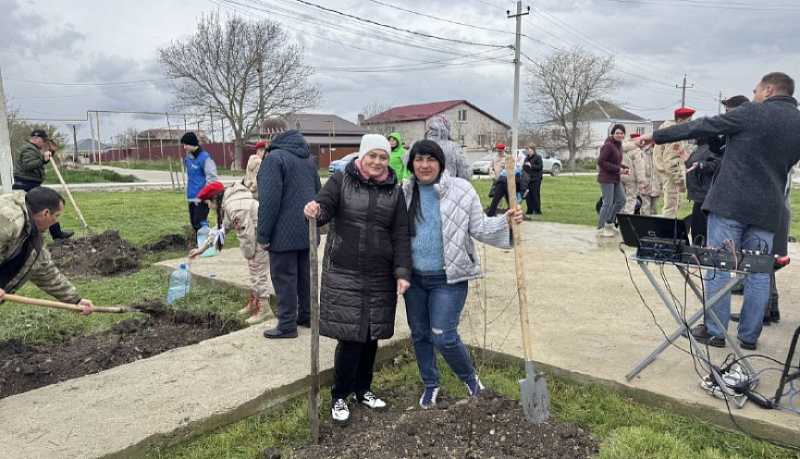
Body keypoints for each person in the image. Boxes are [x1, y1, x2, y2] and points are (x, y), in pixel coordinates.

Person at [637, 72, 800, 350]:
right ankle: (749, 337)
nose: (754, 94)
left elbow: (702, 126)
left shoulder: (751, 113)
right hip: (767, 209)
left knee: (719, 267)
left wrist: (658, 136)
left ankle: (715, 331)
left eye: (756, 90)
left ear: (769, 90)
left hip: (730, 205)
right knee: (758, 272)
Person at [402, 140, 523, 409]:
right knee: (420, 334)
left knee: (443, 335)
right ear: (411, 163)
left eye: (430, 159)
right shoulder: (404, 192)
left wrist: (506, 221)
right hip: (414, 280)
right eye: (418, 159)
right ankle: (431, 384)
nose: (424, 165)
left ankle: (470, 379)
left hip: (450, 277)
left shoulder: (461, 190)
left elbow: (480, 227)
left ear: (440, 163)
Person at [303, 134, 411, 425]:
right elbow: (324, 207)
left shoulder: (394, 191)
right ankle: (340, 395)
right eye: (372, 156)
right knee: (350, 338)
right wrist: (315, 210)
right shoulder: (341, 180)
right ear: (361, 156)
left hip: (379, 274)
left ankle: (363, 390)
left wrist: (402, 272)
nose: (377, 162)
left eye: (383, 157)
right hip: (345, 272)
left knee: (371, 336)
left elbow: (401, 234)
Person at [257, 124, 321, 339]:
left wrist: (263, 235)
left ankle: (286, 325)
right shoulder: (308, 158)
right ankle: (307, 315)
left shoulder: (274, 159)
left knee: (284, 278)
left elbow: (269, 201)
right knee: (305, 277)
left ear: (271, 134)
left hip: (282, 234)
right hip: (307, 228)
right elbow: (318, 192)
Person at [0, 187, 93, 314]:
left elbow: (45, 270)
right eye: (56, 216)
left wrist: (76, 300)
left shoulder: (31, 235)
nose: (56, 221)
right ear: (46, 213)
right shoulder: (8, 220)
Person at [190, 180, 271, 325]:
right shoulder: (230, 202)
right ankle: (255, 301)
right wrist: (201, 249)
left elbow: (247, 235)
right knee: (254, 270)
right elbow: (221, 229)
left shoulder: (235, 208)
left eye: (208, 203)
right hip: (255, 235)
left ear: (215, 198)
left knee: (258, 271)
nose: (208, 206)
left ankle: (264, 308)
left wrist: (249, 254)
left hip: (260, 237)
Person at [12, 130, 73, 240]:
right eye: (44, 141)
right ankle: (53, 235)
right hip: (26, 185)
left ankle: (56, 234)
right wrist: (42, 158)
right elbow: (28, 165)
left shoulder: (32, 149)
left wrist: (50, 153)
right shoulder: (28, 149)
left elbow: (38, 163)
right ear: (38, 139)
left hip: (30, 184)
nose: (44, 144)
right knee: (43, 207)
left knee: (47, 206)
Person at [653, 108, 695, 218]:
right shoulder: (675, 135)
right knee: (671, 207)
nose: (690, 124)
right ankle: (667, 232)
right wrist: (680, 182)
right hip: (672, 176)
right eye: (689, 120)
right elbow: (672, 161)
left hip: (665, 173)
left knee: (670, 206)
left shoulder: (666, 130)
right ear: (680, 120)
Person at [181, 132, 218, 236]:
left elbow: (212, 178)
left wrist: (205, 194)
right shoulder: (188, 158)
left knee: (201, 223)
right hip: (191, 196)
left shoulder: (205, 158)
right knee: (194, 223)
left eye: (186, 144)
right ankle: (201, 245)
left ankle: (207, 247)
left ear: (192, 144)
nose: (184, 147)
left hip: (202, 198)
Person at [684, 137, 720, 245]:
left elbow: (715, 164)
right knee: (697, 231)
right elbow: (692, 165)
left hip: (705, 196)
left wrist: (701, 165)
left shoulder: (712, 148)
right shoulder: (699, 148)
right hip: (698, 195)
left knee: (702, 232)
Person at [596, 124, 629, 237]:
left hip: (615, 177)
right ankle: (600, 228)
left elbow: (614, 161)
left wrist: (623, 166)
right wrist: (619, 169)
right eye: (617, 133)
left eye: (622, 133)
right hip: (606, 178)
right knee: (608, 203)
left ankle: (609, 223)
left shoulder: (618, 145)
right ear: (613, 133)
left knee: (621, 200)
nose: (620, 135)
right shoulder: (608, 145)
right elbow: (601, 162)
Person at [423, 115, 472, 179]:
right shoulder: (454, 148)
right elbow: (466, 173)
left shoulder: (418, 147)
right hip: (450, 186)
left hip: (423, 187)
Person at [621, 133, 645, 214]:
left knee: (621, 198)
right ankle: (627, 217)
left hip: (620, 176)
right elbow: (639, 167)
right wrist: (641, 181)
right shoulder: (636, 150)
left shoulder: (621, 148)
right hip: (631, 178)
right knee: (631, 199)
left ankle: (618, 218)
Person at [637, 141, 662, 216]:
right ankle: (644, 226)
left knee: (654, 209)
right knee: (645, 207)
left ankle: (653, 226)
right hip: (645, 184)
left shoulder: (660, 152)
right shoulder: (642, 153)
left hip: (656, 184)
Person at [522, 145, 543, 215]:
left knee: (535, 194)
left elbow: (540, 167)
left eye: (530, 150)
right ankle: (529, 210)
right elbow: (524, 167)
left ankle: (537, 210)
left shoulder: (538, 157)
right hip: (528, 179)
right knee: (528, 195)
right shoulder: (526, 158)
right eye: (528, 150)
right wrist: (525, 165)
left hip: (536, 179)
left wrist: (531, 165)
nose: (529, 152)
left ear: (534, 150)